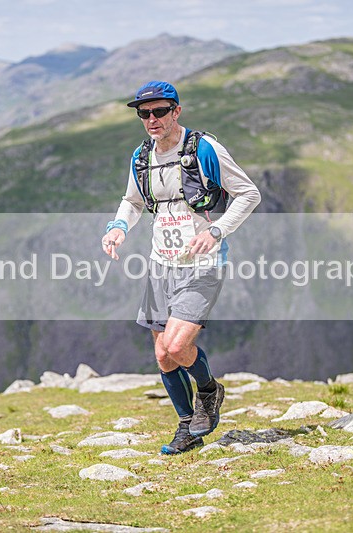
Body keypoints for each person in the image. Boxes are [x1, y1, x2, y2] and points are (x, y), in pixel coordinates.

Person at [101, 81, 261, 454]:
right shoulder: (141, 156)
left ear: (176, 111)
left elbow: (249, 193)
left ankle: (208, 390)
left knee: (176, 345)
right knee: (162, 355)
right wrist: (118, 227)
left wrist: (217, 231)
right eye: (145, 113)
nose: (152, 119)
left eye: (160, 111)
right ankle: (187, 427)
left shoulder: (205, 148)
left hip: (202, 264)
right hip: (161, 263)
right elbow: (132, 201)